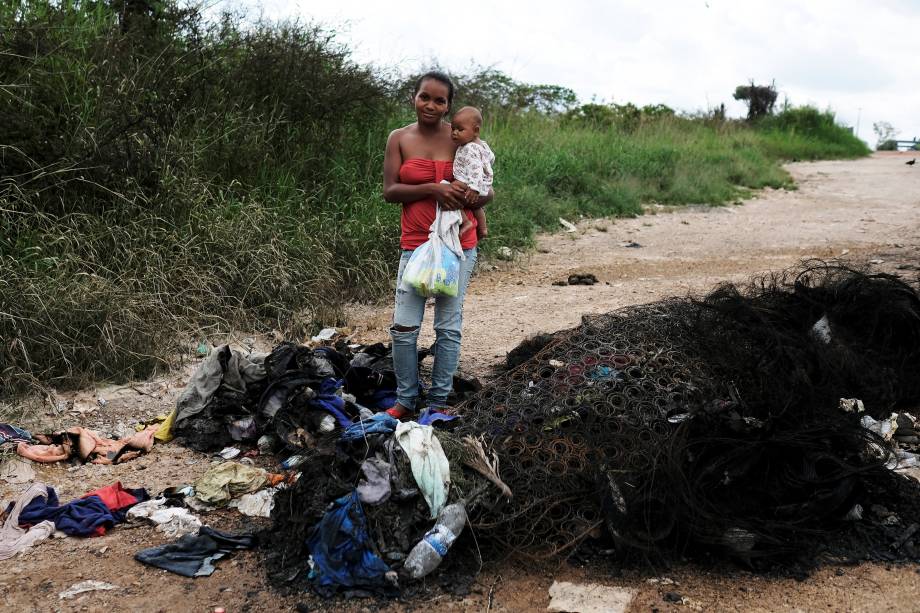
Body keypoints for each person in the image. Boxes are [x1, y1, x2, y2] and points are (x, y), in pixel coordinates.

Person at [382, 71, 492, 419]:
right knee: (403, 327)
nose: (430, 105)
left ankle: (438, 401)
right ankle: (405, 400)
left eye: (439, 100)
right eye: (424, 97)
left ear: (448, 106)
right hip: (416, 245)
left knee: (447, 324)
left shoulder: (461, 138)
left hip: (458, 244)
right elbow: (390, 191)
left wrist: (476, 197)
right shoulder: (399, 138)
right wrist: (434, 189)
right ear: (414, 97)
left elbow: (486, 188)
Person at [446, 106, 493, 239]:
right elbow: (491, 158)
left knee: (450, 192)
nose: (454, 133)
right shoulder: (482, 145)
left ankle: (466, 222)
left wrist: (474, 188)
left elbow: (476, 169)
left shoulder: (470, 148)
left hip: (470, 183)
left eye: (460, 129)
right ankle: (483, 229)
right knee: (476, 206)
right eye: (453, 129)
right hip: (481, 183)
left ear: (476, 131)